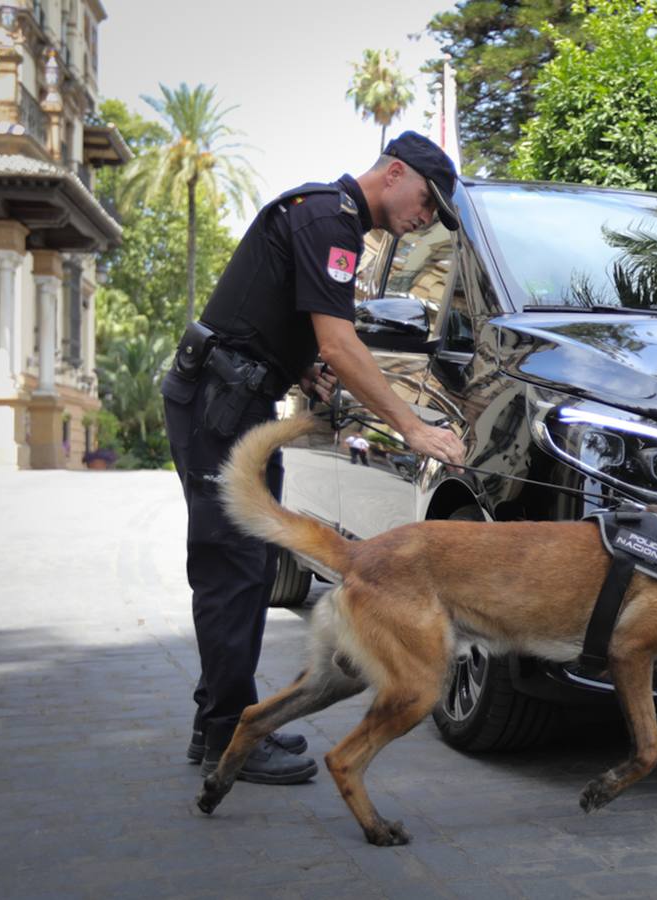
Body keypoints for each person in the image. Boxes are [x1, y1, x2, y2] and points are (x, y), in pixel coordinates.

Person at [161, 131, 466, 786]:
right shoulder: (330, 217)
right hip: (220, 404)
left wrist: (302, 369)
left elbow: (278, 317)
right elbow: (342, 342)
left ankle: (212, 724)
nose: (426, 217)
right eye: (426, 200)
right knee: (234, 569)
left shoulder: (335, 221)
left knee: (244, 564)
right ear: (394, 173)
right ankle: (225, 738)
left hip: (237, 398)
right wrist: (411, 426)